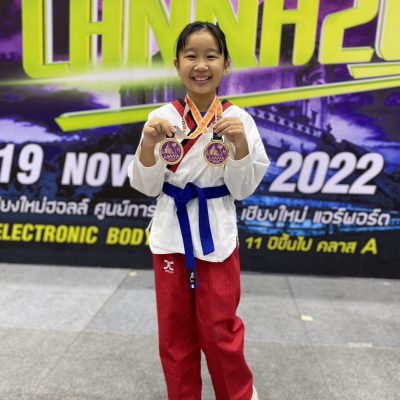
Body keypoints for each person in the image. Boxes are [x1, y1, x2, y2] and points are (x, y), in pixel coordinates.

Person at [128, 21, 270, 400]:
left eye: (211, 56)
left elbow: (243, 189)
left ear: (226, 64)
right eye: (191, 56)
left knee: (220, 330)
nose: (201, 65)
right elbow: (146, 186)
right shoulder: (161, 118)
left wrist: (240, 146)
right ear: (177, 65)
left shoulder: (240, 121)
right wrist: (148, 145)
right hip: (171, 235)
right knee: (174, 334)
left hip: (216, 235)